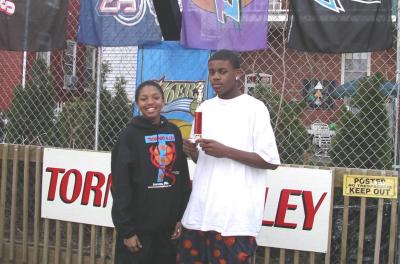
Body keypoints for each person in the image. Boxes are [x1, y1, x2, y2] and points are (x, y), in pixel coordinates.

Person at [177, 50, 281, 263]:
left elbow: (270, 161)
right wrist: (193, 153)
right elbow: (203, 161)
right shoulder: (204, 108)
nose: (215, 77)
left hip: (235, 217)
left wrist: (227, 152)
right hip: (200, 212)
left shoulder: (254, 108)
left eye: (222, 72)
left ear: (238, 73)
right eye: (212, 72)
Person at [111, 80, 191, 264]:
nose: (150, 103)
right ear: (137, 103)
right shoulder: (129, 136)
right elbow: (120, 185)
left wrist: (180, 216)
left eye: (155, 97)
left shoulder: (173, 132)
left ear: (163, 101)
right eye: (144, 99)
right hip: (139, 230)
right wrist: (127, 230)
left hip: (167, 230)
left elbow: (182, 178)